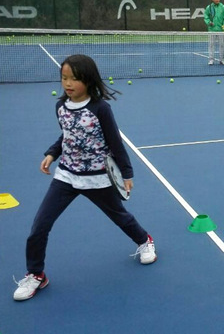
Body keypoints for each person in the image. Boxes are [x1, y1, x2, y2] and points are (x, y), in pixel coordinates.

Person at [13, 54, 156, 301]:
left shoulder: (101, 109)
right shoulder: (60, 106)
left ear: (88, 80)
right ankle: (36, 274)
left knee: (120, 216)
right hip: (66, 176)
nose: (68, 84)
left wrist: (126, 173)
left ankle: (144, 240)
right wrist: (52, 153)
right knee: (39, 226)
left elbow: (115, 142)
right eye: (64, 78)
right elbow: (67, 135)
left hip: (98, 178)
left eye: (74, 79)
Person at [203, 0, 224, 65]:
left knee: (222, 45)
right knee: (211, 45)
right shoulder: (209, 7)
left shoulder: (223, 7)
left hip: (221, 30)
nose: (217, 0)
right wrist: (209, 22)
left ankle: (222, 59)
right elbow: (206, 17)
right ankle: (211, 60)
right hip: (212, 30)